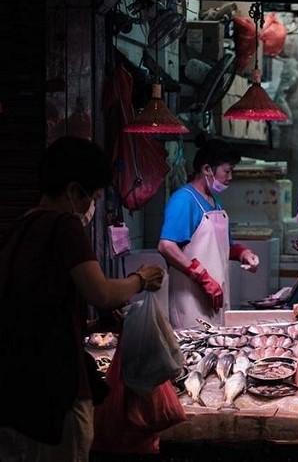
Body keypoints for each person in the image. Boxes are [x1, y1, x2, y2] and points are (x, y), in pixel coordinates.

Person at [0, 136, 164, 462]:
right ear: (76, 191)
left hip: (13, 394)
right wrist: (140, 280)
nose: (92, 206)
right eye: (95, 196)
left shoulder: (19, 228)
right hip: (55, 394)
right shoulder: (64, 225)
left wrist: (87, 321)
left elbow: (37, 303)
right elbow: (101, 292)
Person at [158, 136, 259, 329]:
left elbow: (223, 248)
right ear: (206, 169)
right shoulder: (184, 200)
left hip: (216, 299)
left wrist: (244, 254)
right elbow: (166, 246)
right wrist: (203, 277)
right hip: (190, 302)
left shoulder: (214, 202)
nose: (230, 177)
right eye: (227, 171)